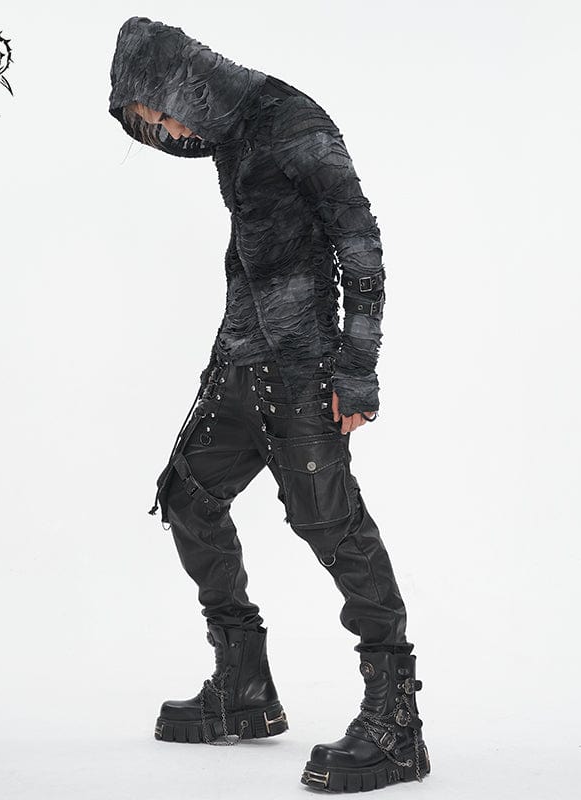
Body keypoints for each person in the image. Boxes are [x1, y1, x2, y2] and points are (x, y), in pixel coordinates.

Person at [108, 16, 430, 793]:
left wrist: (357, 372)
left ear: (181, 83)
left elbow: (360, 245)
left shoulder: (293, 121)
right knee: (189, 497)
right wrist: (226, 353)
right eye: (151, 126)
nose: (167, 134)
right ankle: (244, 689)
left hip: (303, 371)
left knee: (331, 525)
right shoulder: (232, 136)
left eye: (159, 115)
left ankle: (397, 722)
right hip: (241, 365)